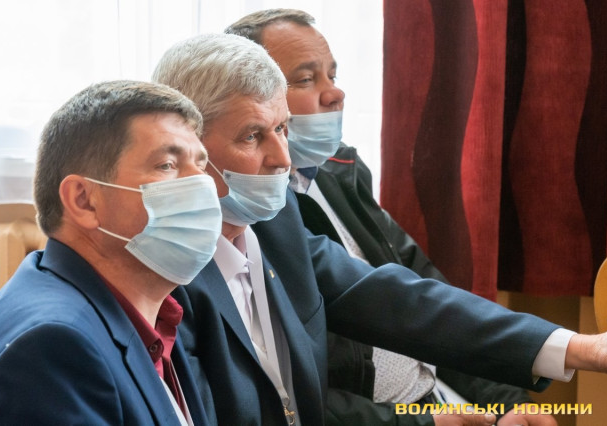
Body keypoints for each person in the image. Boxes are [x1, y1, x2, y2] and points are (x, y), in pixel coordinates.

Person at [154, 33, 607, 426]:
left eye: (283, 129)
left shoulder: (276, 221)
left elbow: (401, 300)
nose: (283, 159)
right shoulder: (164, 271)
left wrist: (578, 348)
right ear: (185, 146)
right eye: (253, 136)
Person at [225, 9, 557, 426]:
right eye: (307, 79)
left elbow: (425, 298)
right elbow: (290, 393)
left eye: (332, 75)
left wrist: (506, 402)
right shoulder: (247, 216)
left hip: (438, 398)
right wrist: (421, 423)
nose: (335, 93)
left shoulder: (339, 170)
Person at [0, 80, 222, 425]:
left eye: (201, 166)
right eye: (167, 165)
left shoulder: (152, 311)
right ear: (84, 201)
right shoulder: (53, 348)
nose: (203, 186)